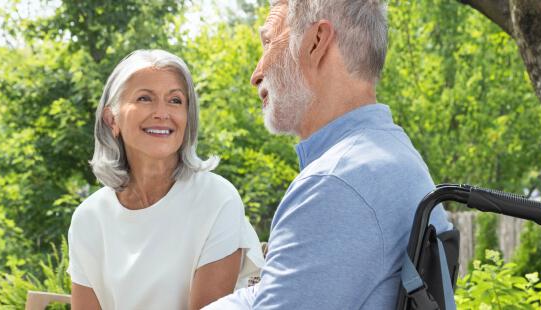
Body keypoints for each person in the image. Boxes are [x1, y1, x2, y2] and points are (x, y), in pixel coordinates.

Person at [206, 0, 453, 308]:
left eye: (269, 42)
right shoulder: (389, 156)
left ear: (316, 41)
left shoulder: (336, 184)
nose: (256, 74)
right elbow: (274, 292)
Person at [67, 49, 265, 310]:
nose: (162, 113)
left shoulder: (216, 199)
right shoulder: (88, 218)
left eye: (175, 101)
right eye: (145, 98)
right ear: (111, 119)